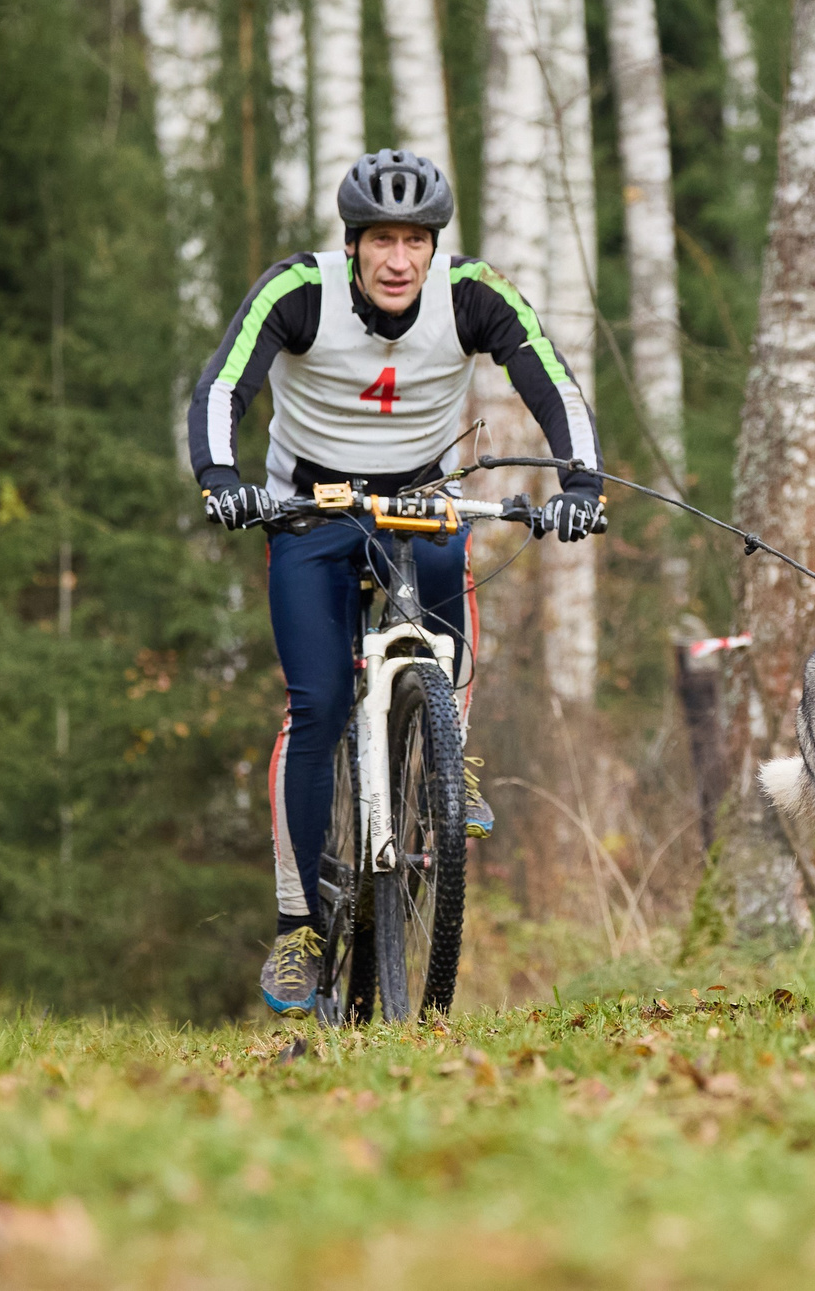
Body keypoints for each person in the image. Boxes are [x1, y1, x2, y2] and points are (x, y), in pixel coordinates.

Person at [188, 149, 605, 1015]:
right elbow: (223, 385)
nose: (398, 259)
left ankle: (449, 752)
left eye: (415, 240)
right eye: (381, 239)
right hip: (309, 511)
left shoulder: (472, 293)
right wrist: (222, 478)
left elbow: (552, 380)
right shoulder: (299, 291)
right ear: (352, 244)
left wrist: (582, 483)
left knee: (450, 579)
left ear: (434, 246)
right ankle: (298, 926)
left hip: (418, 501)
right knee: (317, 708)